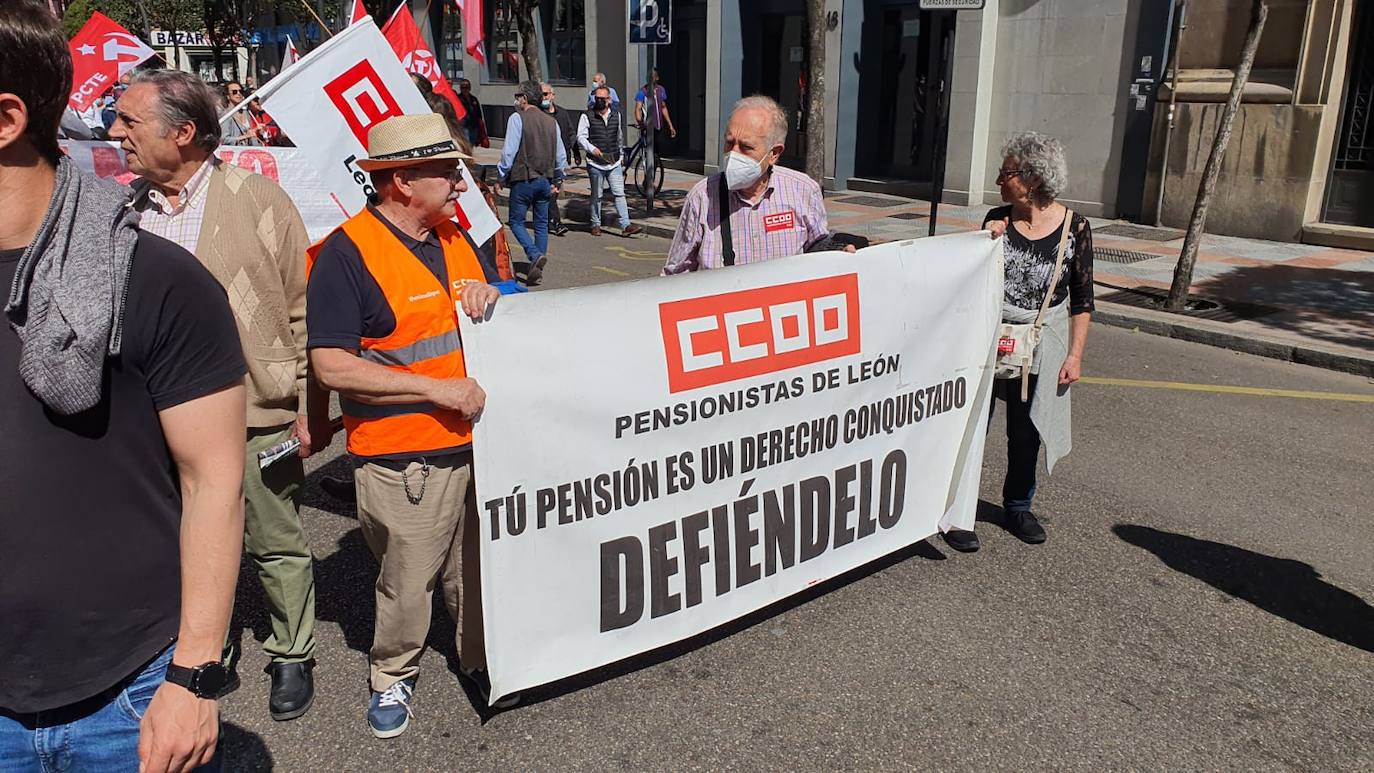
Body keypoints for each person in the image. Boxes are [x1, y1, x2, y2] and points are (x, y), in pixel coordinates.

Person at [0, 4, 247, 770]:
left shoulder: (163, 284)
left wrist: (194, 677)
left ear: (5, 118)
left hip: (130, 697)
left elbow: (215, 481)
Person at [110, 68, 332, 721]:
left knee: (275, 539)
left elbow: (302, 312)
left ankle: (292, 650)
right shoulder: (125, 211)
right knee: (187, 541)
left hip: (254, 413)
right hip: (155, 421)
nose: (115, 133)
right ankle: (207, 652)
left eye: (129, 121)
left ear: (182, 133)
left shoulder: (261, 202)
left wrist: (305, 405)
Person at [306, 113, 515, 738]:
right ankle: (393, 672)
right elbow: (331, 364)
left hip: (475, 440)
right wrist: (435, 389)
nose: (460, 183)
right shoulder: (346, 255)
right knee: (408, 577)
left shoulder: (454, 237)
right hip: (406, 455)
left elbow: (472, 310)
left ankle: (476, 657)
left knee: (473, 567)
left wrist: (490, 292)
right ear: (400, 181)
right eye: (447, 172)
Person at [943, 131, 1095, 553]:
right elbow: (972, 278)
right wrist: (983, 240)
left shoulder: (1075, 227)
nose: (997, 180)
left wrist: (1075, 354)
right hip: (990, 337)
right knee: (973, 425)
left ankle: (1018, 506)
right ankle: (957, 512)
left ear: (1030, 178)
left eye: (1005, 173)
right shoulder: (998, 217)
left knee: (1025, 430)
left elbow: (1083, 300)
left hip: (1042, 343)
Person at [663, 95, 849, 274]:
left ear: (774, 154)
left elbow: (818, 251)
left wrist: (841, 255)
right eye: (729, 144)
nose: (733, 154)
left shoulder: (803, 191)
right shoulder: (702, 197)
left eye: (746, 147)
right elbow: (676, 276)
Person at [495, 80, 565, 286]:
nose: (516, 100)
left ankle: (534, 254)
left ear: (524, 98)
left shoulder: (518, 118)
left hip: (524, 178)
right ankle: (537, 266)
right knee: (541, 224)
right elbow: (561, 156)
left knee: (516, 221)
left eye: (517, 96)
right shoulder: (551, 122)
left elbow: (509, 152)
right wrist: (560, 178)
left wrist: (501, 175)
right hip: (545, 179)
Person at [577, 84, 641, 238]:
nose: (598, 101)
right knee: (597, 195)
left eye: (602, 98)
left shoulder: (616, 115)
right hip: (595, 162)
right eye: (596, 98)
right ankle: (595, 224)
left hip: (614, 162)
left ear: (609, 100)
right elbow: (581, 137)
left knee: (619, 193)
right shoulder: (587, 116)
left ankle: (626, 225)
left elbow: (619, 136)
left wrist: (621, 153)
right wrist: (592, 149)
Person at [541, 82, 578, 237]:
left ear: (552, 95)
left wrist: (575, 153)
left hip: (559, 160)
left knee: (551, 193)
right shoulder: (537, 114)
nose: (544, 97)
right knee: (551, 193)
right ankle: (555, 223)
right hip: (543, 161)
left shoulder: (562, 113)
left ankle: (547, 220)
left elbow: (570, 133)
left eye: (546, 94)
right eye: (541, 94)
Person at [634, 68, 676, 143]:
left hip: (658, 125)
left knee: (657, 147)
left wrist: (670, 125)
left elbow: (663, 108)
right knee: (649, 148)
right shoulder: (643, 92)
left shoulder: (661, 90)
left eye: (652, 77)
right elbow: (638, 109)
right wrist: (641, 123)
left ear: (657, 78)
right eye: (648, 77)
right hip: (648, 125)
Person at [220, 81, 260, 146]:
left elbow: (251, 134)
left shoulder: (246, 112)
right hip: (234, 152)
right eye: (234, 92)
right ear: (228, 96)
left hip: (248, 152)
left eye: (240, 91)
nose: (239, 94)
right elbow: (223, 139)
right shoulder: (226, 115)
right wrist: (244, 137)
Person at [455, 78, 488, 148]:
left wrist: (480, 124)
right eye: (463, 87)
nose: (465, 89)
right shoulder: (457, 99)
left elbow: (479, 113)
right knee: (467, 143)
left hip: (473, 126)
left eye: (467, 87)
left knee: (472, 144)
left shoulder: (473, 99)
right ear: (460, 88)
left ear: (469, 88)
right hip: (464, 126)